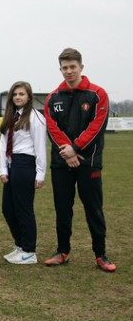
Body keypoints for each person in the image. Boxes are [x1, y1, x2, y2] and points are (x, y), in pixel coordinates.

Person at [43, 48, 116, 272]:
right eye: (64, 68)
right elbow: (52, 128)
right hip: (62, 162)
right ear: (60, 69)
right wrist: (68, 152)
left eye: (72, 67)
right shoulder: (53, 97)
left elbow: (96, 127)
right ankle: (62, 251)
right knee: (63, 208)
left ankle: (100, 255)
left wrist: (75, 148)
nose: (69, 71)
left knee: (93, 208)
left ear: (81, 67)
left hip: (88, 161)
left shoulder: (97, 94)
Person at [0, 81, 47, 265]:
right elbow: (3, 144)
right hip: (12, 164)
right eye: (15, 94)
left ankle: (29, 251)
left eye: (21, 94)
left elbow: (40, 147)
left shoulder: (35, 118)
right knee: (8, 208)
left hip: (25, 164)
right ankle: (20, 245)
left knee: (23, 209)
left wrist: (40, 173)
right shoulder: (10, 117)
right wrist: (3, 169)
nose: (18, 97)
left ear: (29, 97)